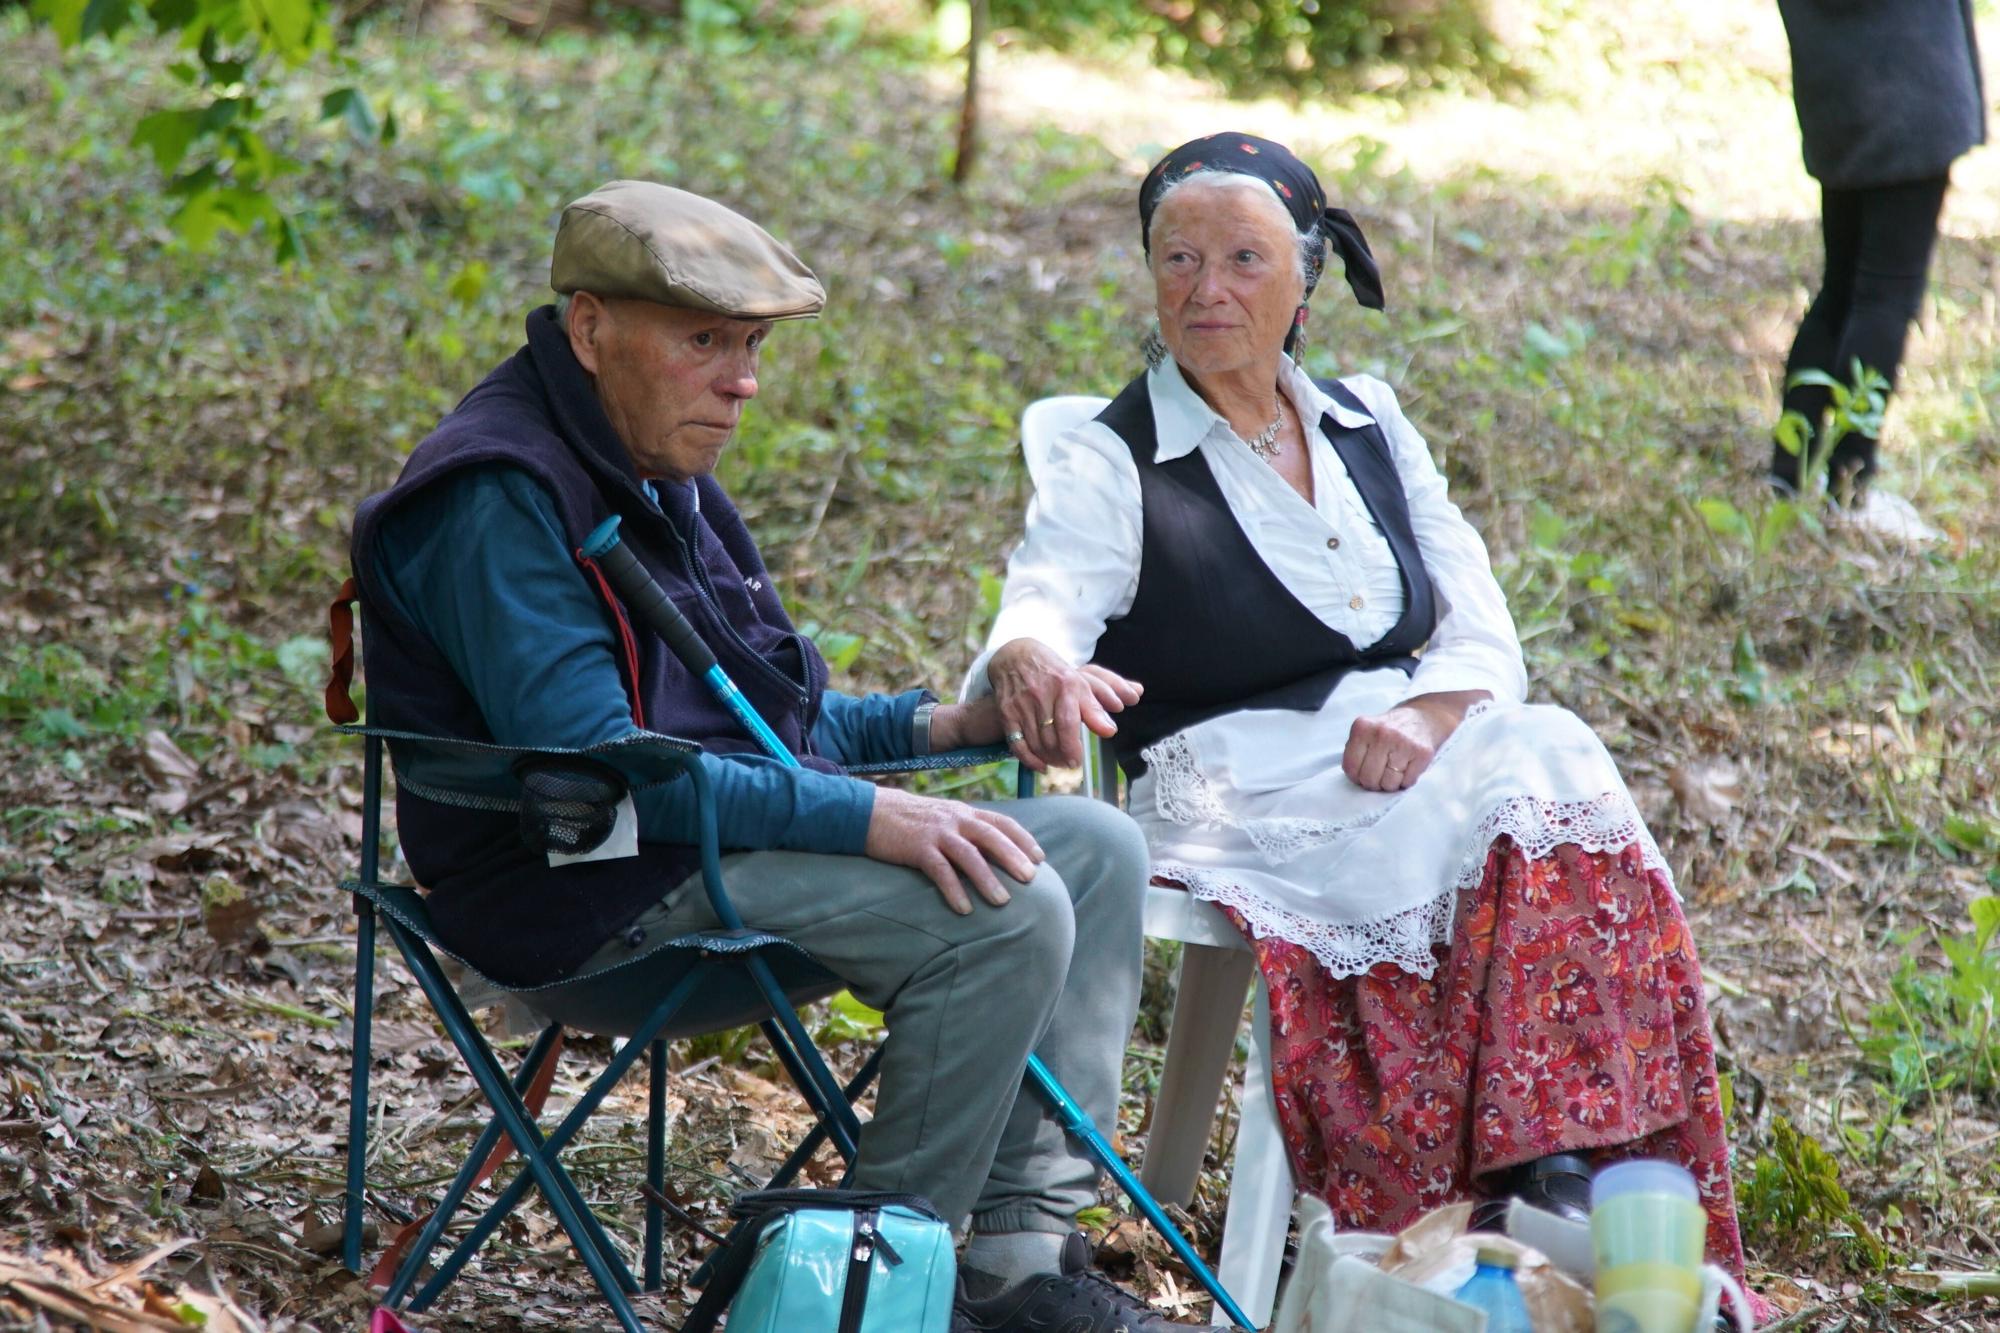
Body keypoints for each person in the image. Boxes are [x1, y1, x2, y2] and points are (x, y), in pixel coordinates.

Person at [347, 180, 1202, 1333]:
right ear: (590, 329)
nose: (742, 380)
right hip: (575, 889)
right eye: (706, 341)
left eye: (749, 345)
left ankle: (1015, 1262)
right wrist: (868, 819)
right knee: (1000, 910)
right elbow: (609, 774)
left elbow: (757, 727)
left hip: (692, 848)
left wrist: (939, 731)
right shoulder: (500, 492)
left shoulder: (649, 459)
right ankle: (881, 1287)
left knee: (1092, 846)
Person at [966, 134, 1753, 1289]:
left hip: (1409, 760)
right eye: (1177, 258)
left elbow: (1481, 627)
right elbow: (1041, 598)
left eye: (1242, 258)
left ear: (1305, 279)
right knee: (1535, 769)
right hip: (1242, 789)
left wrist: (1430, 717)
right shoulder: (1112, 459)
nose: (1205, 288)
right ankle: (1543, 1167)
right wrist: (1030, 660)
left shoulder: (1368, 420)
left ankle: (1554, 1158)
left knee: (1546, 745)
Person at [1771, 0, 1985, 540]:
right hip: (1907, 88)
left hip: (1837, 90)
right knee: (1884, 297)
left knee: (1843, 289)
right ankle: (1850, 488)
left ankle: (1786, 479)